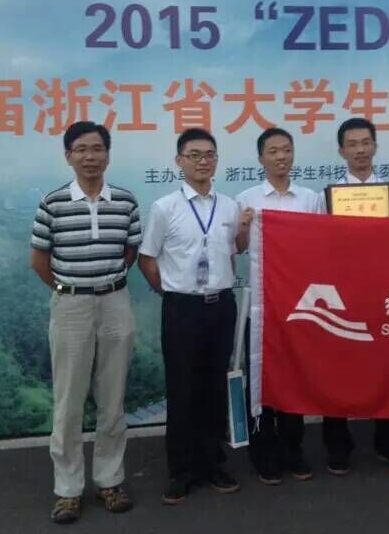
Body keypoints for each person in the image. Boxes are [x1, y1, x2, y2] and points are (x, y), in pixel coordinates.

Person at [30, 121, 140, 525]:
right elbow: (39, 261)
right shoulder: (53, 203)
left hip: (115, 302)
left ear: (107, 155)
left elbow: (129, 252)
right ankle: (68, 489)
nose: (90, 156)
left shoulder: (125, 201)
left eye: (97, 148)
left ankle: (110, 481)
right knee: (69, 400)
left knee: (113, 398)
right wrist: (70, 290)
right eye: (81, 149)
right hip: (71, 306)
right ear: (68, 156)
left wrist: (103, 286)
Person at [139, 128, 245, 504]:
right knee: (182, 389)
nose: (203, 161)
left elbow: (234, 252)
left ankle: (213, 463)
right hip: (181, 309)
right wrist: (170, 292)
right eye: (194, 155)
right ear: (179, 161)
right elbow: (147, 259)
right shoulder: (164, 208)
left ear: (216, 160)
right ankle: (181, 471)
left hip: (221, 307)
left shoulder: (229, 206)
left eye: (209, 155)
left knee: (214, 387)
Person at [321, 117, 389, 476]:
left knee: (387, 369)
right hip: (341, 298)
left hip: (383, 295)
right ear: (341, 151)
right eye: (352, 144)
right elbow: (318, 247)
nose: (359, 150)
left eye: (365, 143)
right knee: (336, 371)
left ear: (375, 147)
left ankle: (387, 440)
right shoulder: (325, 198)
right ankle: (337, 443)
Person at [235, 127, 322, 485]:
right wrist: (243, 228)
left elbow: (320, 244)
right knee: (258, 376)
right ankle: (263, 451)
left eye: (286, 149)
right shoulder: (247, 198)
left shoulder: (310, 199)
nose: (281, 156)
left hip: (297, 303)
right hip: (260, 304)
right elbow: (238, 247)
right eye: (273, 151)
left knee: (293, 376)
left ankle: (293, 449)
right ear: (261, 158)